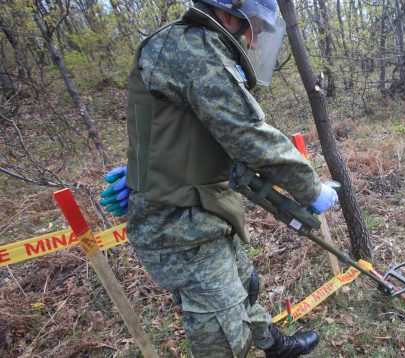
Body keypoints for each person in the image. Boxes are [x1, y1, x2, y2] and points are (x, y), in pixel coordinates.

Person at [99, 0, 338, 357]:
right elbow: (248, 133)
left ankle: (273, 346)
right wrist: (310, 188)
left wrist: (149, 165)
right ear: (229, 12)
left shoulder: (185, 45)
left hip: (202, 209)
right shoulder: (194, 49)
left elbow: (173, 125)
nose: (255, 41)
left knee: (245, 286)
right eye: (255, 25)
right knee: (224, 333)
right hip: (179, 223)